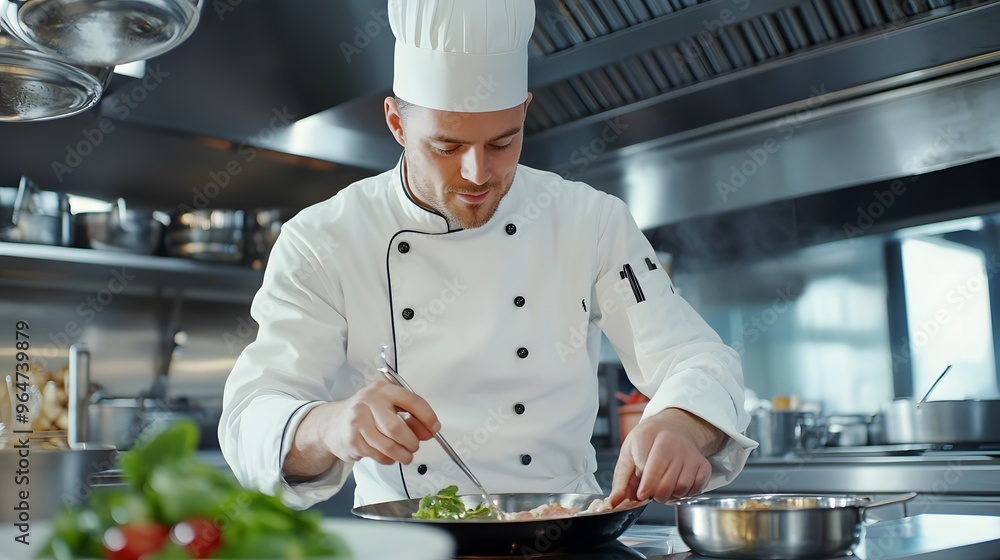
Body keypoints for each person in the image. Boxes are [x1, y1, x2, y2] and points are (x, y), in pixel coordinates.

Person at [220, 0, 756, 511]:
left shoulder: (590, 222)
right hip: (411, 544)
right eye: (446, 147)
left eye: (503, 142)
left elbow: (699, 359)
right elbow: (251, 420)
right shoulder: (323, 239)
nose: (478, 174)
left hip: (565, 534)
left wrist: (680, 425)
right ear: (397, 123)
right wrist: (329, 425)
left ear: (525, 110)